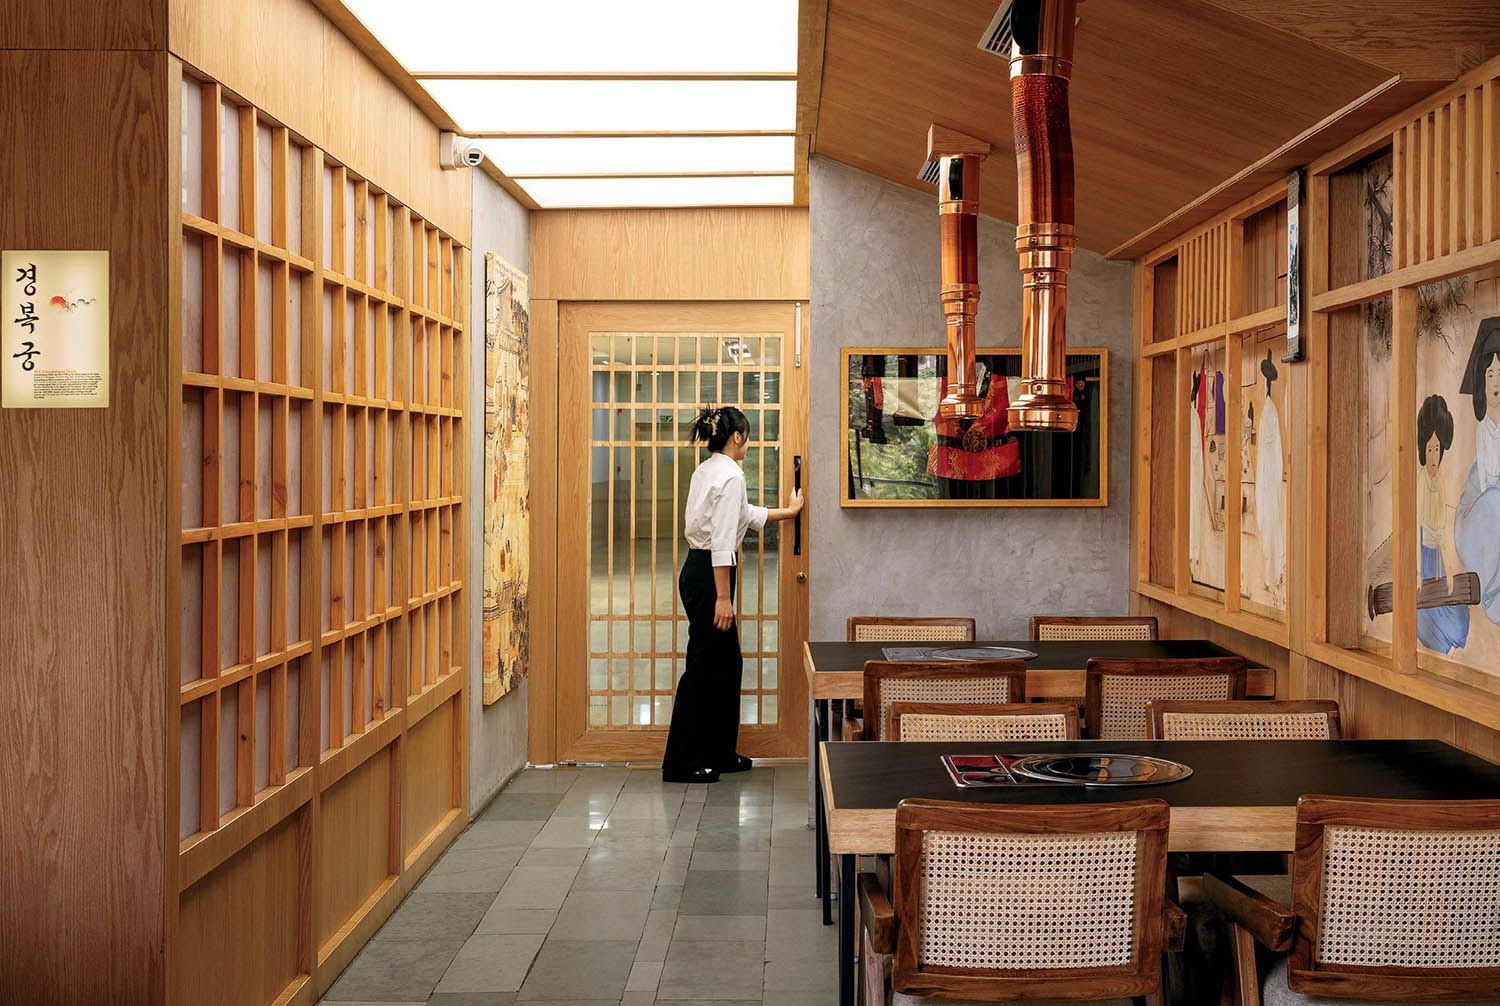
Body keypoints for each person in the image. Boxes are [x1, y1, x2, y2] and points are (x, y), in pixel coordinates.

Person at [661, 406, 804, 783]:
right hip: (711, 576)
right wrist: (724, 598)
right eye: (748, 437)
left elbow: (744, 516)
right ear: (738, 436)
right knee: (704, 668)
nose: (748, 444)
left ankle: (719, 752)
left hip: (699, 571)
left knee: (727, 665)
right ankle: (680, 762)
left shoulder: (708, 469)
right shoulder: (731, 475)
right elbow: (723, 540)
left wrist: (788, 512)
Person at [1456, 318, 1500, 626]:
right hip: (1481, 521)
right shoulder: (1485, 427)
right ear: (1483, 381)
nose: (1497, 381)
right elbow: (1488, 488)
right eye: (1491, 374)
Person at [1416, 394, 1469, 653]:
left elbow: (1445, 527)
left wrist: (1448, 567)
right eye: (1430, 448)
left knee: (1454, 612)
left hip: (1439, 552)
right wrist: (1415, 569)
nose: (1434, 455)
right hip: (1425, 553)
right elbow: (1416, 527)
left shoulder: (1442, 481)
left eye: (1438, 449)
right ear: (1422, 449)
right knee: (1428, 608)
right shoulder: (1422, 481)